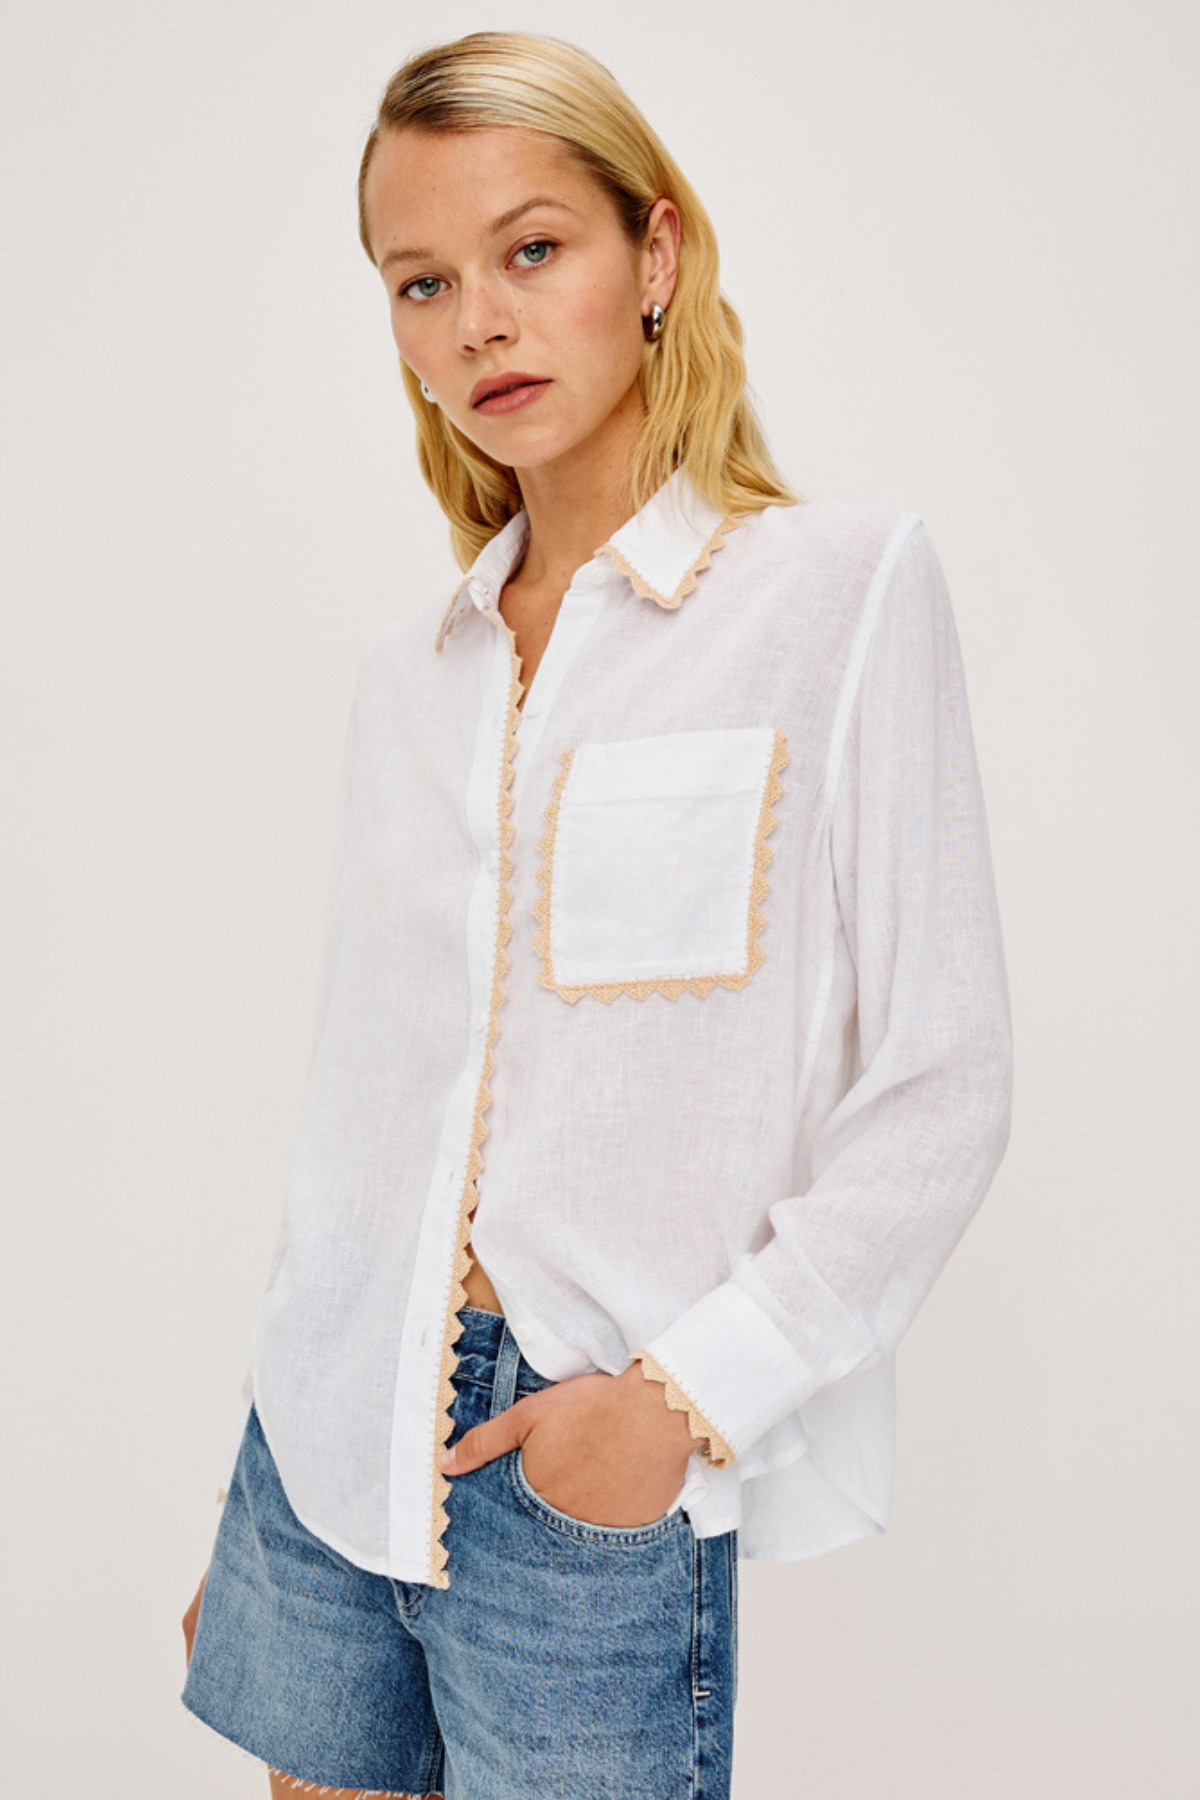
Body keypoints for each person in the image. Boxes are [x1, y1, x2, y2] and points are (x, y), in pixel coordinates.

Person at [180, 29, 1013, 1800]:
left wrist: (683, 1404)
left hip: (583, 1454)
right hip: (325, 1449)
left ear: (656, 254)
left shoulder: (839, 594)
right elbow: (365, 1116)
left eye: (530, 249)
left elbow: (942, 1082)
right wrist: (265, 1491)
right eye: (422, 281)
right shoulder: (410, 676)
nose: (475, 321)